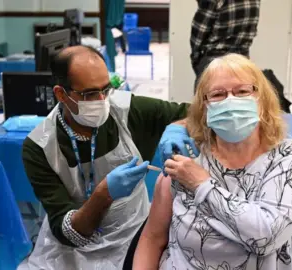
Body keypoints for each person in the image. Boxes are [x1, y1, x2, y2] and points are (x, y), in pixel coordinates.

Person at [21, 45, 197, 270]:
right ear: (61, 94)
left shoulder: (126, 111)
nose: (102, 100)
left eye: (106, 89)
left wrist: (179, 127)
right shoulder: (40, 147)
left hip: (133, 233)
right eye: (90, 94)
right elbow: (67, 232)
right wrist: (104, 194)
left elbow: (197, 113)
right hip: (71, 249)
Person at [133, 54, 292, 270]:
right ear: (205, 106)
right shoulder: (188, 157)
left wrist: (202, 184)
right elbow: (152, 239)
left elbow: (266, 237)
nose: (231, 101)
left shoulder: (289, 157)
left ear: (262, 99)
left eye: (242, 91)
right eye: (218, 94)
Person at [191, 0, 261, 86]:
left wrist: (196, 59)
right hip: (243, 61)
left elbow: (199, 33)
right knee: (241, 96)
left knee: (208, 97)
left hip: (214, 61)